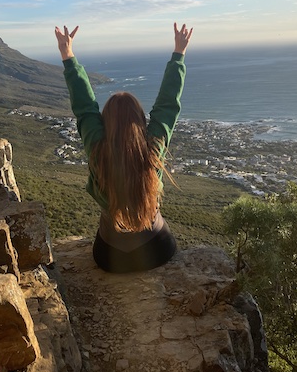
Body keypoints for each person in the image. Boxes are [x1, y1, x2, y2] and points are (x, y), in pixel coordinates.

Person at [54, 22, 193, 273]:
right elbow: (167, 107)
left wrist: (68, 56)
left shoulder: (97, 149)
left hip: (109, 256)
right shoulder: (152, 150)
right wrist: (178, 54)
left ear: (105, 123)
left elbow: (85, 107)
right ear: (140, 121)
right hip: (156, 250)